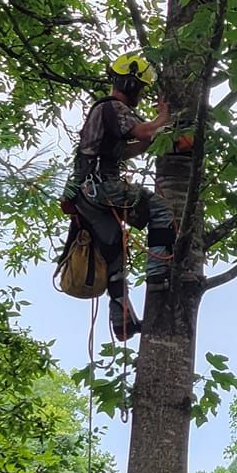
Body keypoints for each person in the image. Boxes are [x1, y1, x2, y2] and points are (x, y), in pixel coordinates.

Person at [63, 52, 176, 339]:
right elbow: (143, 132)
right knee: (160, 210)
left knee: (114, 250)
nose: (141, 93)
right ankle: (159, 275)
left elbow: (126, 149)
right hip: (102, 187)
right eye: (140, 87)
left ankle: (121, 318)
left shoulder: (103, 114)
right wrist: (163, 117)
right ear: (130, 84)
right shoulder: (112, 107)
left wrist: (153, 139)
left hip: (87, 195)